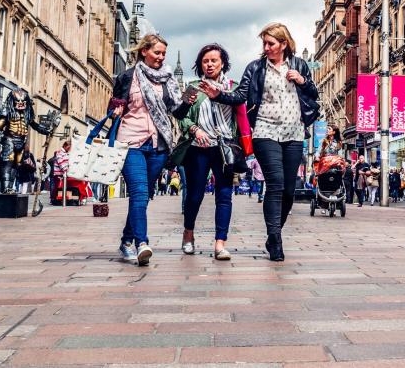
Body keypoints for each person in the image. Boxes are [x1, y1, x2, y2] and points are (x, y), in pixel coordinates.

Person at [203, 22, 319, 262]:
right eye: (264, 43)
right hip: (265, 132)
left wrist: (302, 81)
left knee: (289, 190)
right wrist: (219, 95)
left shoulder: (299, 65)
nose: (266, 47)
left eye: (271, 43)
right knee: (275, 184)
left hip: (295, 133)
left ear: (284, 44)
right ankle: (275, 238)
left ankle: (274, 231)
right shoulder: (256, 68)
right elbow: (240, 95)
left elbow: (313, 94)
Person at [109, 33, 192, 266]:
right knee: (138, 192)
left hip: (158, 145)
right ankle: (141, 243)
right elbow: (115, 104)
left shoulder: (167, 80)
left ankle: (126, 241)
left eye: (164, 53)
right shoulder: (127, 77)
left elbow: (177, 112)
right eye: (157, 52)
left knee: (143, 197)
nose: (161, 57)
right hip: (131, 142)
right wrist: (115, 109)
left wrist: (187, 101)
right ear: (144, 51)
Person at [172, 43, 240, 261]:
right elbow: (180, 115)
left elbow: (242, 116)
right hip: (198, 148)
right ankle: (188, 233)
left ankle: (220, 243)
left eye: (214, 60)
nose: (210, 64)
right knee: (195, 195)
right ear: (200, 64)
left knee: (224, 196)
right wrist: (194, 129)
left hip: (224, 149)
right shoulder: (193, 87)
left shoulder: (233, 87)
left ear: (223, 63)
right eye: (205, 61)